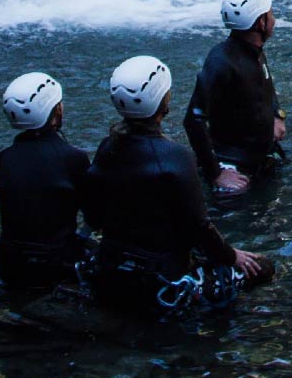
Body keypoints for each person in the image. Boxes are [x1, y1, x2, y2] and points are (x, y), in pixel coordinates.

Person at [82, 56, 271, 317]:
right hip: (161, 275)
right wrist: (231, 256)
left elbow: (93, 215)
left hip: (113, 265)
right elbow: (199, 226)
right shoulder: (175, 155)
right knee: (263, 268)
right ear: (163, 101)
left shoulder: (107, 148)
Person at [0, 72, 92, 289]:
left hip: (10, 260)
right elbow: (93, 213)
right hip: (57, 262)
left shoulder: (5, 158)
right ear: (56, 111)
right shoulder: (73, 158)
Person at [185, 0, 286, 198]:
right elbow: (193, 119)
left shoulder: (253, 49)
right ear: (260, 23)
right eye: (271, 14)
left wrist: (277, 115)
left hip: (261, 155)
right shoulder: (221, 61)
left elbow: (265, 82)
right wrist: (216, 172)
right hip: (234, 167)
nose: (274, 19)